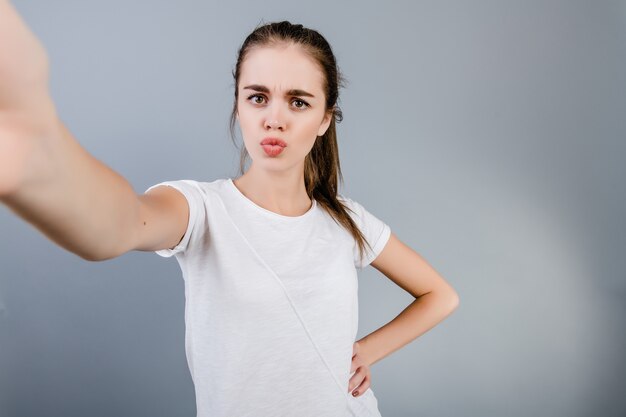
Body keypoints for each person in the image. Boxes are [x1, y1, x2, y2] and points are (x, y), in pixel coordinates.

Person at [0, 1, 460, 415]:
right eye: (257, 97)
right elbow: (117, 224)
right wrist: (38, 150)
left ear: (324, 118)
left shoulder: (347, 221)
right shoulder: (203, 211)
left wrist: (367, 350)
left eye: (298, 102)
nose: (273, 118)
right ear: (238, 104)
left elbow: (441, 295)